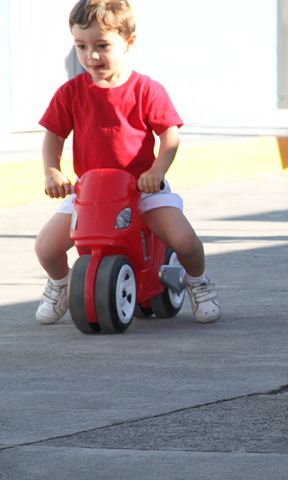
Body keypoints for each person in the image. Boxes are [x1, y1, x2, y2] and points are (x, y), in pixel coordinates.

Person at [34, 0, 221, 325]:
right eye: (81, 46)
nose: (91, 56)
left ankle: (198, 282)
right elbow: (54, 135)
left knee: (184, 240)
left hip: (142, 188)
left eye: (102, 45)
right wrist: (52, 170)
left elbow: (169, 136)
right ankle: (62, 284)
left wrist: (156, 171)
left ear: (128, 42)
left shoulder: (146, 90)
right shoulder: (71, 92)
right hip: (89, 194)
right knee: (46, 247)